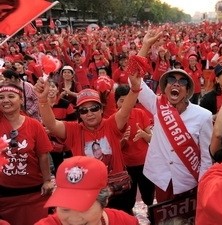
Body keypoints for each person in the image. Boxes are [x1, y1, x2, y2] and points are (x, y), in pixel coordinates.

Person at [34, 28, 161, 214]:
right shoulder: (73, 130)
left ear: (102, 109)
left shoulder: (112, 124)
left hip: (118, 193)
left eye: (94, 108)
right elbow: (51, 125)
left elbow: (133, 87)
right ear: (79, 114)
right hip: (88, 193)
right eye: (84, 110)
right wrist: (43, 101)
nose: (89, 113)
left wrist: (145, 46)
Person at [129, 30, 213, 203]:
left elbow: (206, 156)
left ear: (188, 90)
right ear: (165, 88)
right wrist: (145, 46)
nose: (176, 84)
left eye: (182, 82)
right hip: (162, 179)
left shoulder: (203, 116)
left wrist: (204, 185)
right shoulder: (156, 104)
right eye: (171, 80)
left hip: (188, 180)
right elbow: (133, 80)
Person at [0, 83, 54, 225]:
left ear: (21, 99)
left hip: (34, 194)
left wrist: (47, 180)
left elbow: (43, 155)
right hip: (4, 195)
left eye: (11, 96)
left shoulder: (34, 125)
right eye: (1, 97)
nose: (5, 100)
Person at [35, 156, 139, 225]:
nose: (74, 219)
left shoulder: (125, 222)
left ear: (105, 201)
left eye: (84, 208)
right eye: (65, 209)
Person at [115, 84, 155, 212]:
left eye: (128, 100)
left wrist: (144, 135)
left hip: (145, 163)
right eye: (122, 100)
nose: (125, 103)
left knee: (148, 195)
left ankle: (151, 214)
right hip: (126, 167)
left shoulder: (140, 113)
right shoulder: (113, 120)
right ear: (116, 102)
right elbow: (113, 150)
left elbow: (151, 139)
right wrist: (122, 141)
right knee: (128, 200)